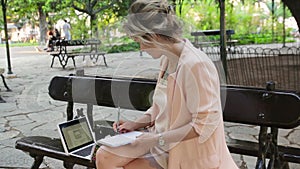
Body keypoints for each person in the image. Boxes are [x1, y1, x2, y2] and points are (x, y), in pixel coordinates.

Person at [96, 0, 239, 169]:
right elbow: (160, 108)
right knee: (104, 156)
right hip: (162, 143)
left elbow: (204, 125)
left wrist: (156, 139)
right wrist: (137, 123)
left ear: (154, 36)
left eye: (140, 41)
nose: (141, 48)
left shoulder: (196, 65)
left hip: (186, 152)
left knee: (118, 162)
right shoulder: (167, 59)